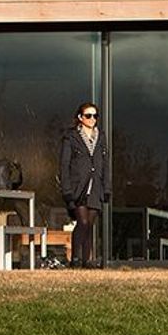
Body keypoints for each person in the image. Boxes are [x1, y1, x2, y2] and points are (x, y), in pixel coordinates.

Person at [59, 99, 110, 267]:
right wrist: (66, 190)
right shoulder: (71, 137)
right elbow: (64, 165)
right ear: (80, 117)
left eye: (95, 116)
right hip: (78, 186)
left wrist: (106, 188)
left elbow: (105, 163)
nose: (92, 119)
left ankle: (87, 260)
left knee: (90, 225)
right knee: (83, 222)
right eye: (89, 116)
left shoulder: (100, 137)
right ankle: (75, 258)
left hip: (95, 186)